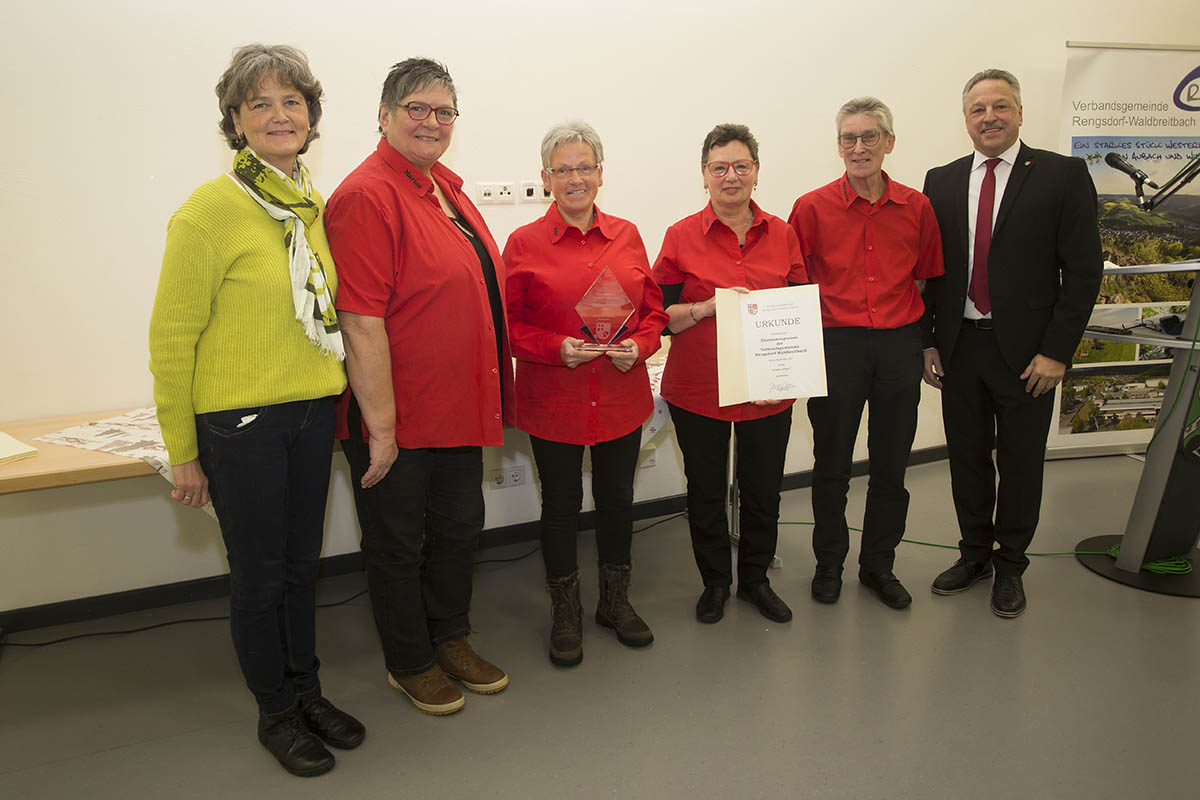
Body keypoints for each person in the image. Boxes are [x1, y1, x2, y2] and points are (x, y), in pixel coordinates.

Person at [148, 44, 364, 777]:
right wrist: (182, 450)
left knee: (305, 569)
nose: (280, 115)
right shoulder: (209, 212)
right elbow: (172, 339)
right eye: (260, 103)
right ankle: (275, 713)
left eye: (292, 101)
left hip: (308, 414)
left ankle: (307, 693)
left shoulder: (310, 205)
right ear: (235, 121)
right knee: (260, 576)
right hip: (239, 427)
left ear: (311, 117)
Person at [324, 57, 512, 715]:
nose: (431, 122)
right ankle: (410, 661)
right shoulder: (366, 195)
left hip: (457, 405)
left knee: (460, 529)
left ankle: (451, 637)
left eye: (443, 111)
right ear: (383, 115)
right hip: (398, 415)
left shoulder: (445, 188)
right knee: (399, 544)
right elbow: (360, 321)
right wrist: (380, 427)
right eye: (416, 108)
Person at [921, 69, 1102, 617]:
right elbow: (931, 273)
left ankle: (1010, 565)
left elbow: (1085, 271)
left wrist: (1057, 352)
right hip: (960, 348)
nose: (989, 117)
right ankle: (973, 554)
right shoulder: (942, 180)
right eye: (978, 109)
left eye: (1000, 106)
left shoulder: (1062, 175)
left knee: (1021, 463)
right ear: (966, 119)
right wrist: (929, 340)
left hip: (1029, 354)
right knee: (967, 460)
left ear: (1020, 113)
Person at [503, 122, 668, 666]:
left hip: (620, 395)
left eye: (584, 167)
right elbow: (506, 326)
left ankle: (615, 604)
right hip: (556, 398)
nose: (575, 178)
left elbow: (653, 314)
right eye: (562, 169)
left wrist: (641, 346)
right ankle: (566, 612)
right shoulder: (523, 244)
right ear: (546, 178)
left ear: (601, 174)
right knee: (561, 508)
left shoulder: (628, 234)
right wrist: (556, 348)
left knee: (619, 503)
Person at [788, 97, 944, 610]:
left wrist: (924, 344)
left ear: (889, 142)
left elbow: (926, 278)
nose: (859, 148)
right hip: (837, 346)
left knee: (891, 464)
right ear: (838, 147)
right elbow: (795, 282)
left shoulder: (917, 207)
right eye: (849, 139)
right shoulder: (811, 208)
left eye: (870, 136)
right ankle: (828, 564)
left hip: (899, 345)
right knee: (831, 463)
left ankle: (879, 566)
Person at [653, 124, 808, 625]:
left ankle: (756, 581)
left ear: (756, 172)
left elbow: (800, 307)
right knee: (707, 491)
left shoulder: (783, 234)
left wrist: (787, 372)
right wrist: (707, 308)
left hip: (770, 389)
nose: (731, 176)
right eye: (719, 167)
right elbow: (659, 316)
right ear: (704, 175)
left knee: (763, 490)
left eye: (741, 166)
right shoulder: (680, 236)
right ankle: (716, 582)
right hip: (700, 389)